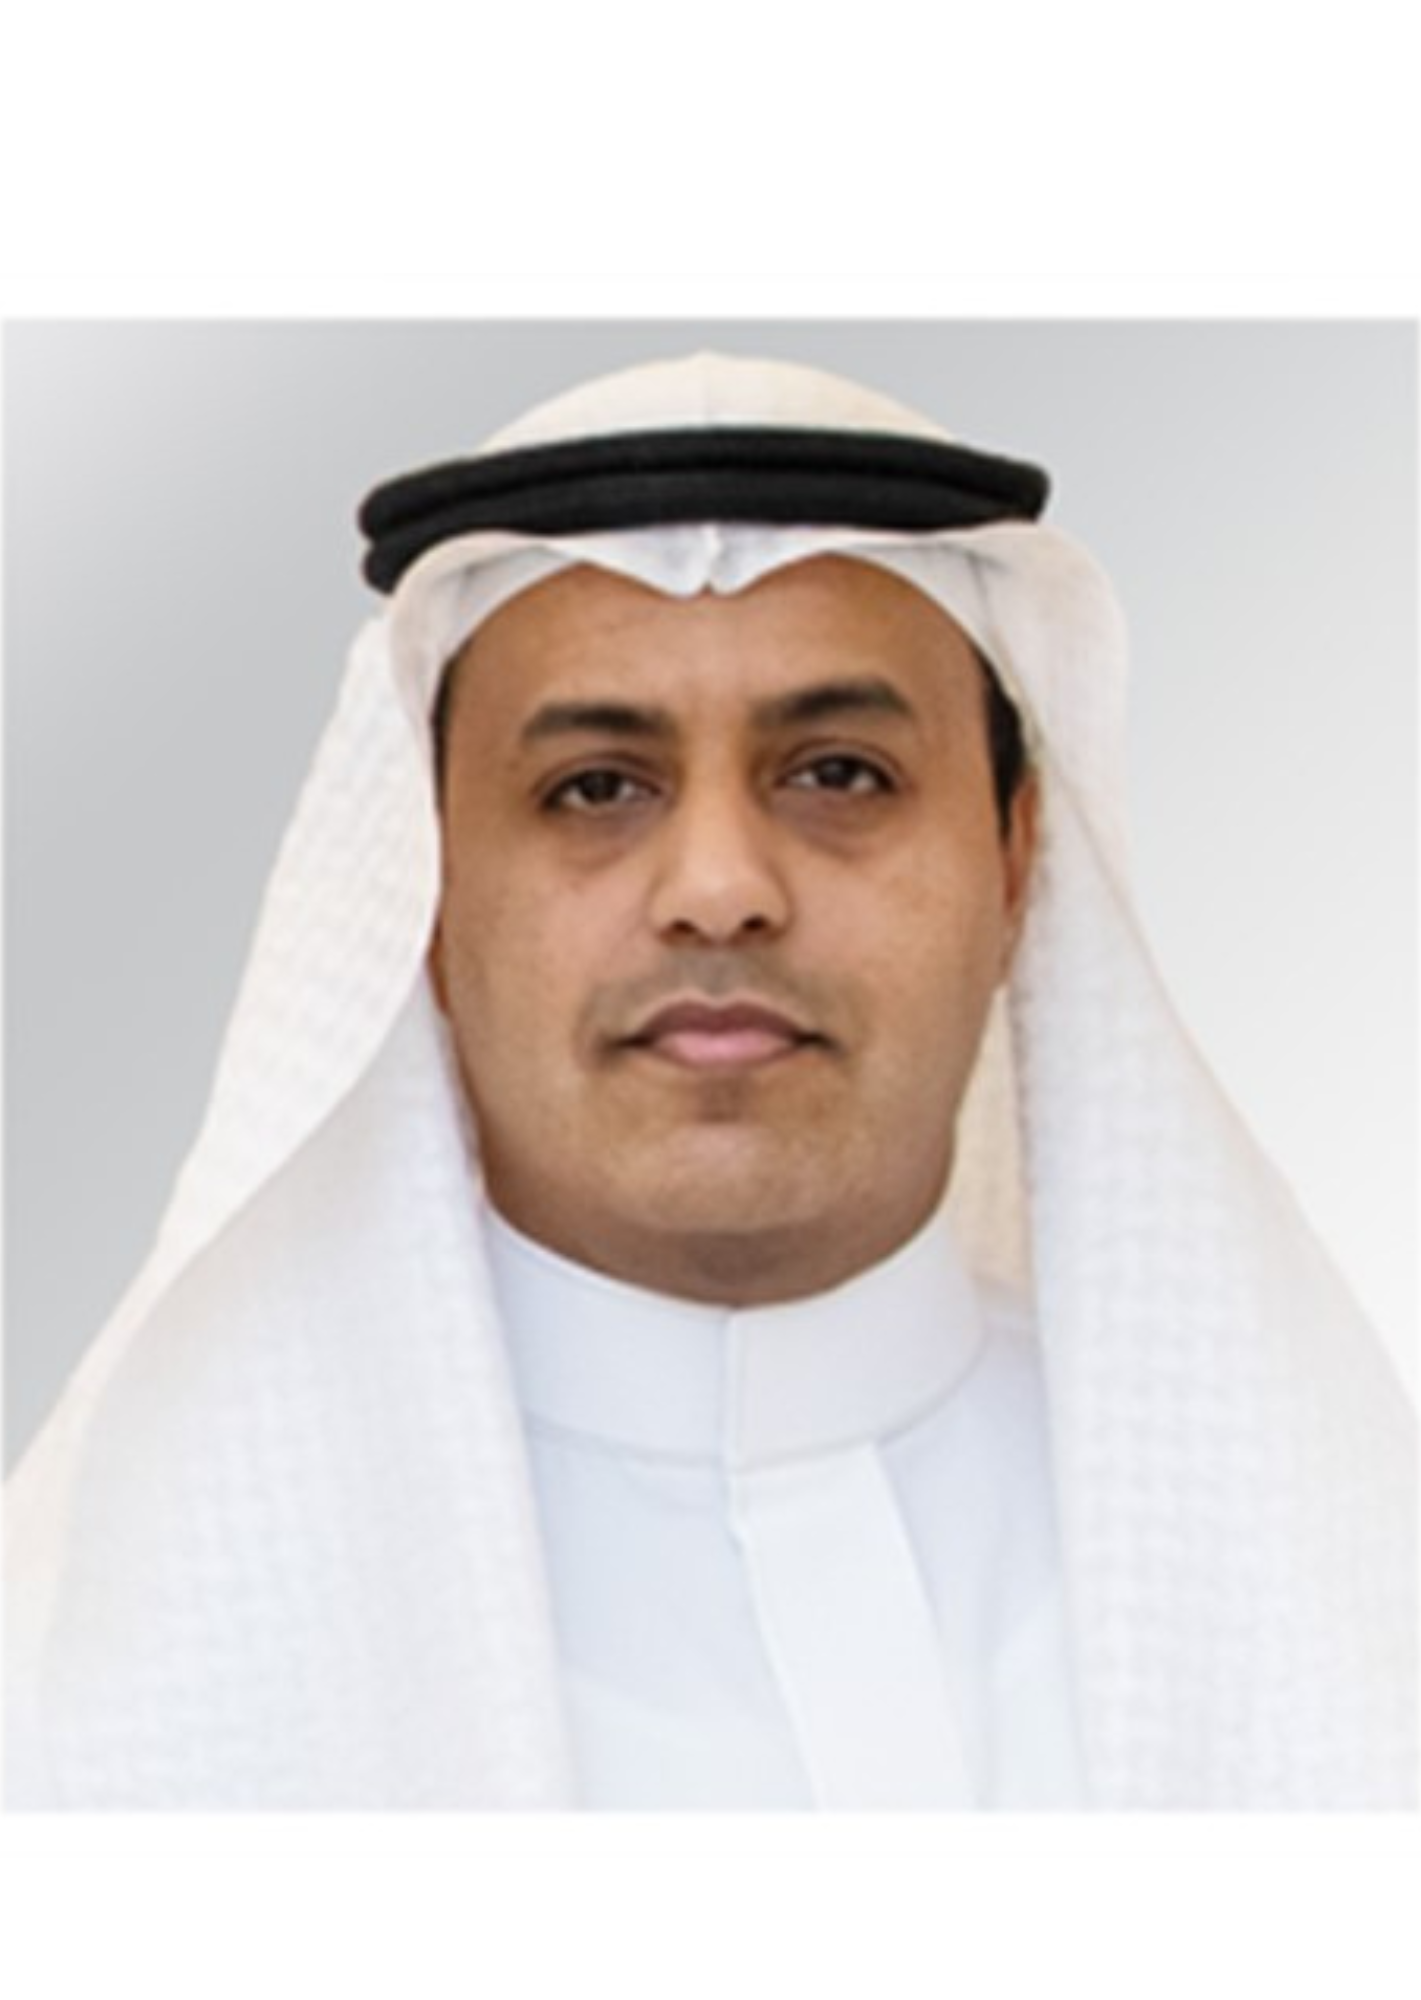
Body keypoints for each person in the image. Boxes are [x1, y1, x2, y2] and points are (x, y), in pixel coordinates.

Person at [5, 351, 1414, 1812]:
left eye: (840, 773)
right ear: (423, 896)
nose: (721, 889)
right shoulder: (80, 1707)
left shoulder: (1343, 1615)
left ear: (1014, 861)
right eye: (596, 788)